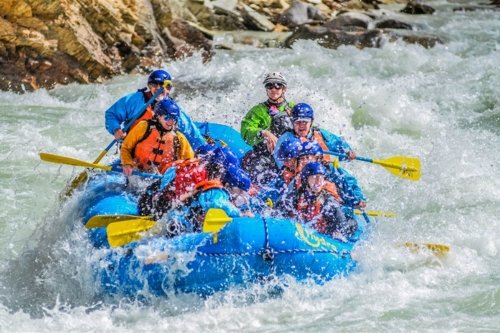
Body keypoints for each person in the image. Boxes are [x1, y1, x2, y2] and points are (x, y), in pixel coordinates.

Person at [273, 102, 366, 210]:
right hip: (296, 173)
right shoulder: (286, 139)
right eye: (298, 122)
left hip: (319, 171)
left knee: (341, 175)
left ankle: (355, 201)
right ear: (292, 123)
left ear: (311, 122)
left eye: (305, 122)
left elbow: (339, 146)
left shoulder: (320, 133)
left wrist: (348, 153)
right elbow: (280, 161)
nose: (301, 125)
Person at [105, 69, 206, 149]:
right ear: (149, 86)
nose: (158, 88)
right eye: (154, 84)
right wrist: (116, 130)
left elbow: (191, 133)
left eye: (163, 85)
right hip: (132, 151)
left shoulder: (173, 109)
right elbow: (112, 114)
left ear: (169, 89)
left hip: (161, 155)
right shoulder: (135, 100)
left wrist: (203, 149)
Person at [240, 72, 295, 186]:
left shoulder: (294, 108)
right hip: (265, 156)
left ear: (284, 89)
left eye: (278, 85)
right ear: (266, 89)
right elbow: (246, 132)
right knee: (256, 175)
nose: (274, 89)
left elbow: (308, 127)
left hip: (290, 156)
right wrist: (264, 133)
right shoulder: (257, 111)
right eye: (270, 85)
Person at [278, 162, 358, 239]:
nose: (318, 181)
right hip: (298, 231)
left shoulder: (328, 202)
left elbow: (342, 222)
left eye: (321, 177)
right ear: (306, 179)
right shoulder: (295, 196)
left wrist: (339, 231)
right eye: (315, 176)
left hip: (322, 237)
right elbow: (278, 213)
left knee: (351, 223)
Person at [120, 98, 194, 177]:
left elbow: (189, 161)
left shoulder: (178, 138)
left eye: (174, 119)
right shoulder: (144, 127)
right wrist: (127, 163)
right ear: (158, 116)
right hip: (138, 174)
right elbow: (125, 148)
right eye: (167, 118)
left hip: (162, 178)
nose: (171, 122)